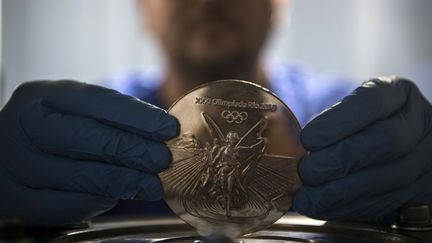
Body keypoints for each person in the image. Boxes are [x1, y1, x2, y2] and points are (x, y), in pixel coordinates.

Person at [0, 0, 431, 228]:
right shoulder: (81, 133)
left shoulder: (348, 119)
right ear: (144, 8)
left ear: (280, 3)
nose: (207, 1)